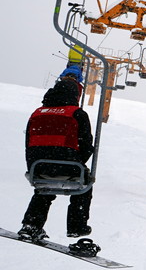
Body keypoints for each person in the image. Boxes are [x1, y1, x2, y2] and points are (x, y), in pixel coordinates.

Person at [18, 67, 95, 241]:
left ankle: (31, 225)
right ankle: (77, 226)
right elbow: (86, 145)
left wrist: (33, 165)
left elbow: (28, 143)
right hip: (69, 166)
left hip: (38, 166)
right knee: (84, 186)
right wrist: (77, 162)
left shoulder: (36, 114)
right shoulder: (77, 114)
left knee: (44, 189)